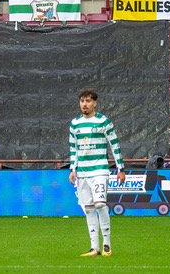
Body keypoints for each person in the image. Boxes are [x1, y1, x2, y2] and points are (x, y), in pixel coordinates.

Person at [68, 88, 124, 257]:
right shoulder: (74, 124)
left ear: (95, 103)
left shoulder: (103, 122)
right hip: (83, 172)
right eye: (82, 101)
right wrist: (72, 169)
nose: (84, 104)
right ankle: (95, 248)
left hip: (100, 169)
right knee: (89, 208)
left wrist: (120, 168)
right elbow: (73, 149)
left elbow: (114, 144)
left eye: (88, 101)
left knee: (100, 204)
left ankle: (107, 244)